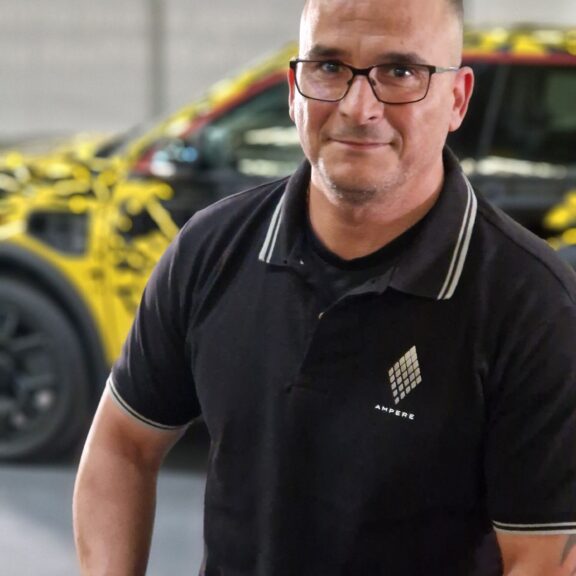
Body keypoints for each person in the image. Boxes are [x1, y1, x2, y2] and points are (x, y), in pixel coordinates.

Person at [73, 0, 576, 574]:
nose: (359, 107)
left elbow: (545, 562)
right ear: (294, 88)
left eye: (400, 72)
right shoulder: (210, 250)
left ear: (457, 99)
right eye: (330, 67)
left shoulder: (536, 308)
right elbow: (121, 446)